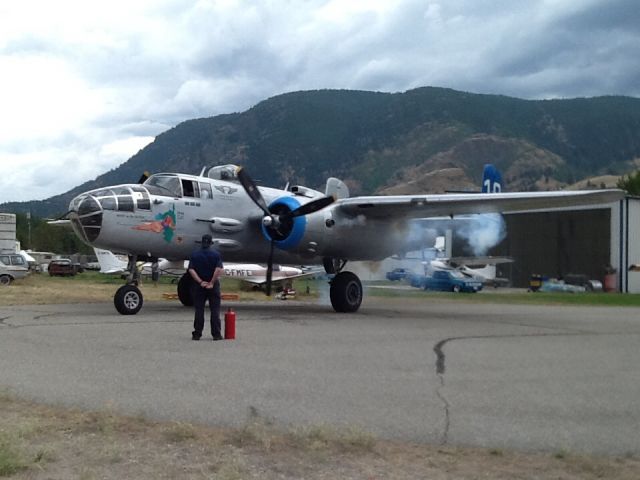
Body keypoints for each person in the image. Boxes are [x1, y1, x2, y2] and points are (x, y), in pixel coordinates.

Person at [188, 234, 224, 341]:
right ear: (211, 243)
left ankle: (197, 334)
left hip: (199, 286)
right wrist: (212, 282)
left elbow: (191, 270)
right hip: (213, 286)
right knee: (215, 310)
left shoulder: (195, 255)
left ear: (202, 242)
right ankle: (216, 334)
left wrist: (200, 281)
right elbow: (218, 269)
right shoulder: (216, 254)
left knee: (199, 310)